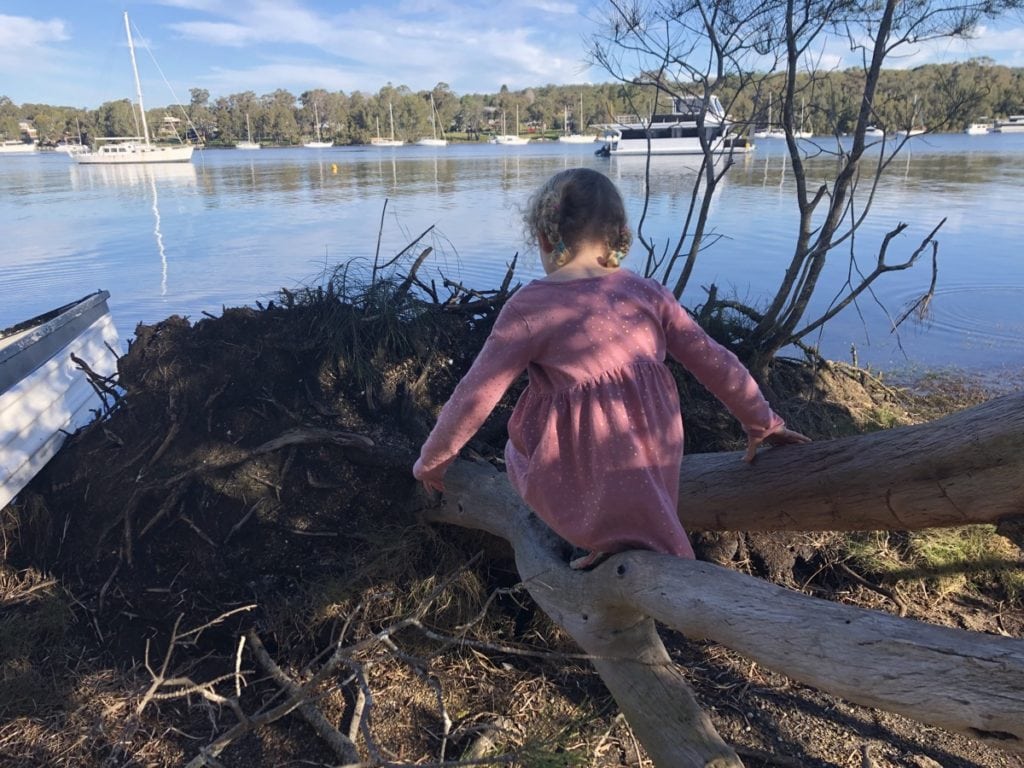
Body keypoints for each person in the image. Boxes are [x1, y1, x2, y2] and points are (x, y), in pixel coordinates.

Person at [413, 168, 809, 569]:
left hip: (582, 463)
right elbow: (714, 359)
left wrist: (434, 459)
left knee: (518, 455)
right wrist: (762, 421)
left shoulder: (530, 306)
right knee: (620, 453)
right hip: (654, 448)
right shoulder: (647, 292)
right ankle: (620, 540)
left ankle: (609, 537)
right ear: (620, 236)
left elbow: (475, 394)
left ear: (546, 237)